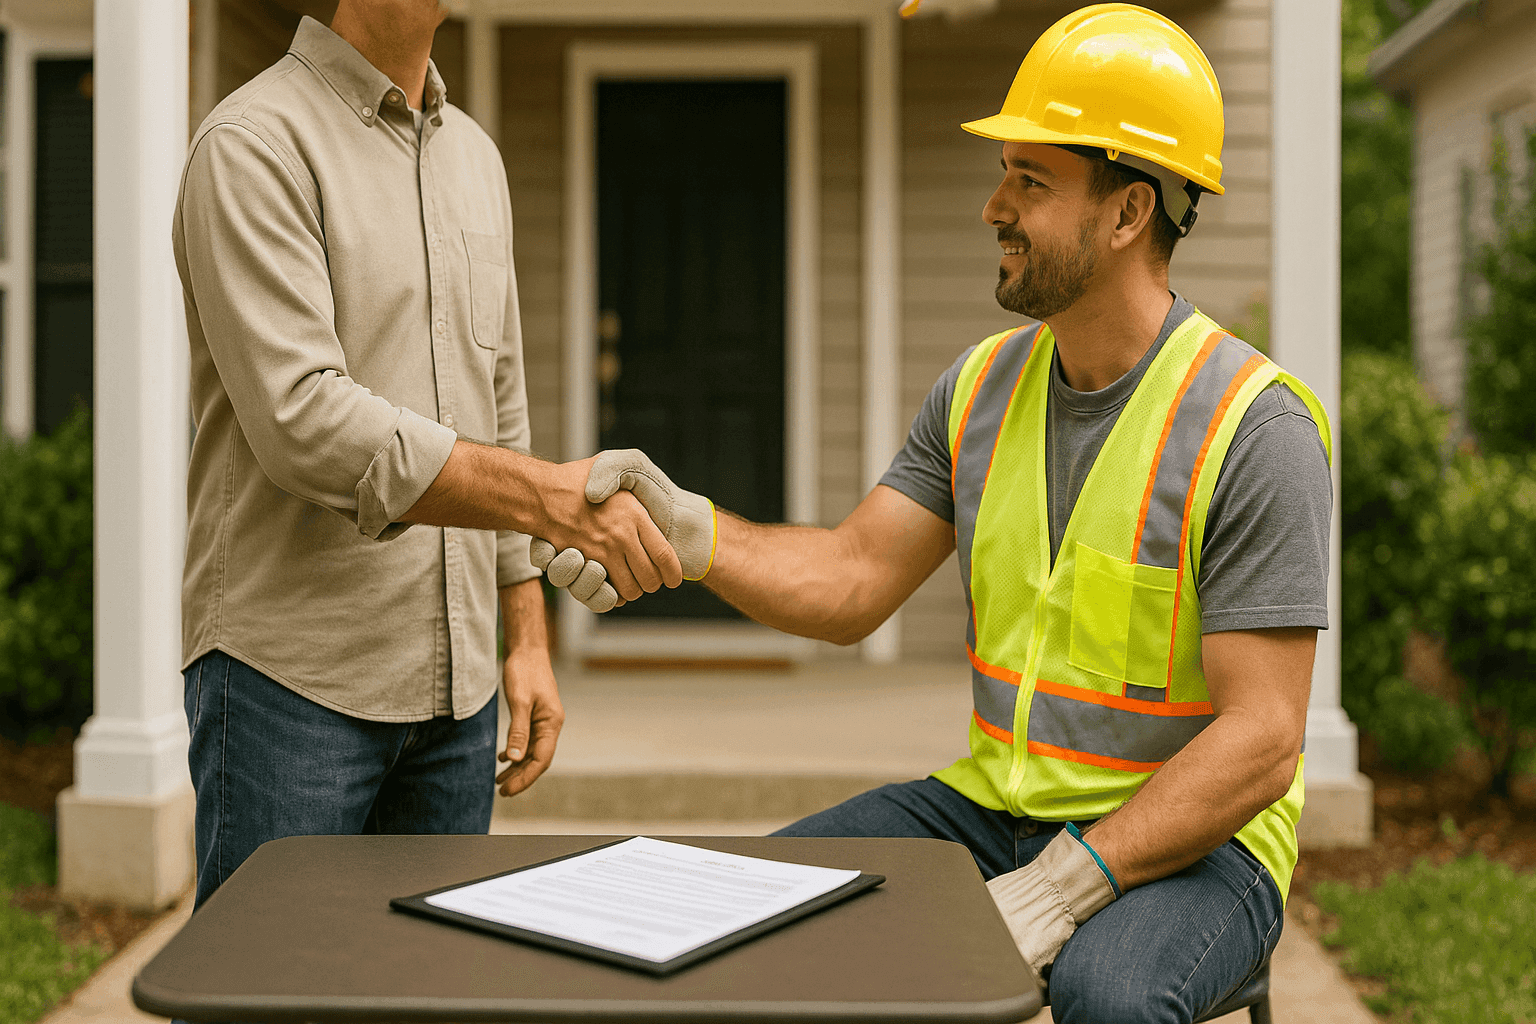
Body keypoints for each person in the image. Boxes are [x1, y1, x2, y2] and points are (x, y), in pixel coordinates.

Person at [538, 5, 1332, 1021]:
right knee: (745, 913)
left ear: (1130, 212)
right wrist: (693, 534)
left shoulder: (1253, 426)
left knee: (1109, 993)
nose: (995, 206)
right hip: (996, 808)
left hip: (1197, 843)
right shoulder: (980, 391)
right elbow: (852, 578)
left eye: (1031, 181)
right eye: (1005, 174)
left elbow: (1262, 738)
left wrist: (1066, 886)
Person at [171, 0, 682, 914]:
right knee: (272, 978)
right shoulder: (253, 145)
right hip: (291, 690)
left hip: (458, 701)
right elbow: (304, 419)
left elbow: (501, 401)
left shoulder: (475, 159)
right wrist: (549, 499)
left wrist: (526, 639)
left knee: (428, 981)